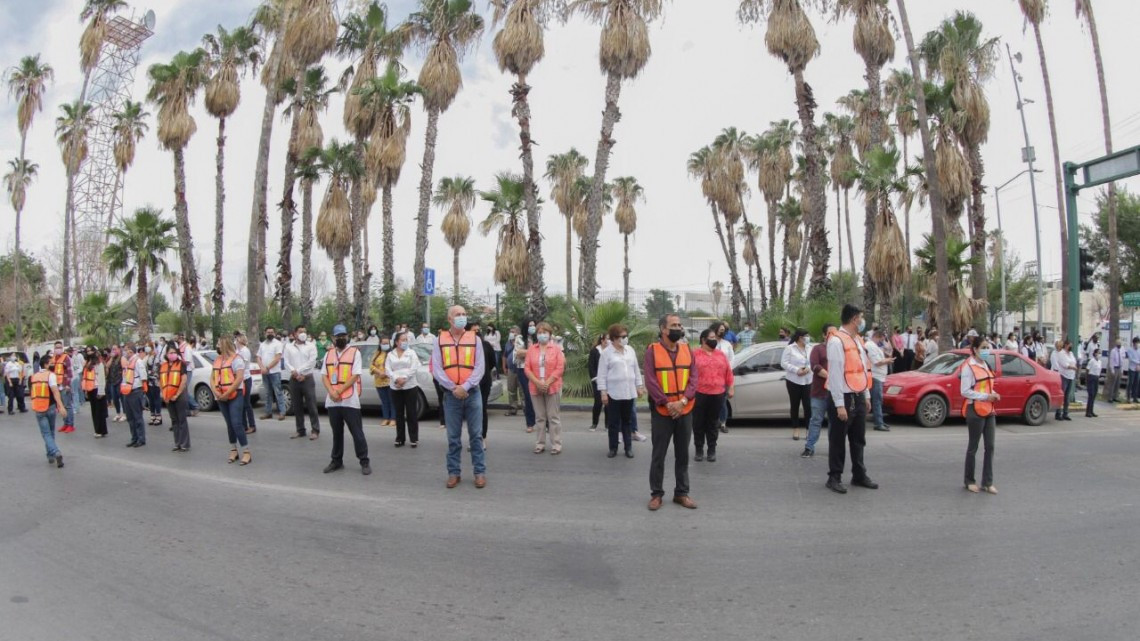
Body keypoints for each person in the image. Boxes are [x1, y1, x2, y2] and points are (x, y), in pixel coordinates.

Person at [644, 314, 699, 511]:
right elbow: (650, 380)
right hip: (662, 411)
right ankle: (656, 494)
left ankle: (681, 493)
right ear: (663, 329)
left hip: (685, 409)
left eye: (679, 325)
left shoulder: (687, 349)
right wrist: (668, 404)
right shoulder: (652, 351)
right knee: (658, 455)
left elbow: (694, 378)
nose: (678, 328)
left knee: (683, 454)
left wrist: (682, 402)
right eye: (674, 325)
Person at [825, 304, 877, 494]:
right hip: (843, 397)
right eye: (861, 318)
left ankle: (859, 475)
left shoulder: (857, 340)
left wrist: (866, 394)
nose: (863, 321)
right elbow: (835, 375)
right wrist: (840, 405)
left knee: (858, 439)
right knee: (838, 440)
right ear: (854, 319)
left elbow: (862, 369)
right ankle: (834, 477)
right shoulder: (836, 341)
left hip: (858, 394)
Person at [433, 306, 487, 488]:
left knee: (476, 436)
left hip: (472, 393)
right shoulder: (439, 340)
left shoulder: (475, 339)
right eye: (458, 315)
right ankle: (454, 473)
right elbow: (437, 369)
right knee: (453, 438)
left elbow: (479, 367)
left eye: (464, 314)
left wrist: (465, 386)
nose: (462, 317)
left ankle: (479, 472)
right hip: (451, 395)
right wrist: (453, 387)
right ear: (449, 319)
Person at [322, 324, 371, 475]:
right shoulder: (328, 354)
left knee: (357, 433)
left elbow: (355, 375)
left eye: (343, 335)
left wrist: (339, 391)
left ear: (347, 336)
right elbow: (324, 376)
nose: (341, 338)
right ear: (333, 338)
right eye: (338, 336)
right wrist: (332, 392)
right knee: (337, 433)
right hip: (333, 400)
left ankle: (364, 461)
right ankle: (336, 461)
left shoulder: (355, 353)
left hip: (350, 400)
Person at [960, 336, 999, 494]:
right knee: (973, 447)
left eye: (987, 347)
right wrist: (985, 397)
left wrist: (993, 394)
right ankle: (969, 481)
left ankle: (987, 482)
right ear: (975, 349)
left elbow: (987, 386)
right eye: (983, 347)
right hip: (975, 409)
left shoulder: (985, 364)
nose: (986, 350)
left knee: (990, 446)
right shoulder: (968, 366)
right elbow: (965, 391)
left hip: (989, 409)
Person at [691, 327, 732, 463]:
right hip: (699, 393)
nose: (714, 340)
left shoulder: (721, 355)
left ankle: (711, 450)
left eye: (715, 338)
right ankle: (699, 450)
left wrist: (731, 387)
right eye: (712, 338)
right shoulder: (694, 354)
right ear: (703, 340)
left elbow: (728, 372)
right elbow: (688, 373)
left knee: (713, 423)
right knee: (698, 423)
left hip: (717, 393)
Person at [525, 321, 566, 455]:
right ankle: (540, 443)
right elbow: (527, 368)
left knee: (553, 417)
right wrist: (537, 382)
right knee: (540, 417)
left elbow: (560, 368)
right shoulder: (531, 349)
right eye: (539, 332)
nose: (542, 335)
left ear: (550, 334)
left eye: (544, 332)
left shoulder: (556, 349)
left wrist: (547, 382)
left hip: (553, 386)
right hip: (535, 386)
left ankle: (556, 444)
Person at [212, 336, 252, 465]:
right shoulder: (217, 360)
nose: (217, 346)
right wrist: (216, 392)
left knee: (236, 423)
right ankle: (233, 449)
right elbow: (212, 378)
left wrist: (227, 393)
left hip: (235, 395)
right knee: (229, 424)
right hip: (221, 396)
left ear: (225, 345)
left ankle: (246, 452)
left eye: (219, 343)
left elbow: (239, 379)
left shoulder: (237, 360)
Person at [29, 354, 67, 468]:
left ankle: (52, 454)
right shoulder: (51, 375)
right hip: (50, 407)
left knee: (46, 433)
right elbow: (55, 392)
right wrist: (61, 406)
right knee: (50, 432)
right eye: (51, 363)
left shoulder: (34, 376)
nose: (53, 364)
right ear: (45, 364)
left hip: (38, 408)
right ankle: (54, 453)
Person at [385, 330, 422, 448]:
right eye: (403, 340)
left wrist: (404, 378)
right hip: (395, 386)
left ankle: (414, 438)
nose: (405, 342)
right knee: (399, 413)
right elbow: (388, 369)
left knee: (411, 413)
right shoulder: (390, 354)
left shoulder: (411, 353)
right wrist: (396, 379)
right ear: (396, 342)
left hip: (410, 385)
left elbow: (414, 367)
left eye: (406, 340)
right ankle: (400, 438)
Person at [802, 323, 834, 458]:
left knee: (834, 422)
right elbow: (815, 366)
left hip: (835, 394)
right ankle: (809, 447)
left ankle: (834, 449)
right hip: (819, 393)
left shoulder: (840, 349)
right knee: (815, 420)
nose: (833, 335)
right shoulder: (818, 349)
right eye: (830, 333)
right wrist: (831, 377)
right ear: (824, 335)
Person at [284, 326, 321, 440]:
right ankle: (300, 430)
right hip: (294, 379)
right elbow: (286, 362)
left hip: (307, 379)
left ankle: (315, 430)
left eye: (305, 331)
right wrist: (294, 372)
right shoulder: (289, 347)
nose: (303, 333)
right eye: (300, 332)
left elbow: (312, 362)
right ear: (295, 334)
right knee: (297, 406)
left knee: (311, 405)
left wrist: (299, 371)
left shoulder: (311, 346)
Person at [781, 328, 813, 441]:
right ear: (800, 337)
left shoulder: (810, 348)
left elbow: (813, 361)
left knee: (808, 406)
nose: (808, 338)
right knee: (795, 405)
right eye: (806, 336)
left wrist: (808, 368)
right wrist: (796, 370)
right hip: (794, 380)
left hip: (808, 380)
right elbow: (784, 363)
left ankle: (809, 430)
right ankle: (796, 428)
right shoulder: (790, 348)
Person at [469, 321, 497, 448]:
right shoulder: (465, 347)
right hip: (469, 383)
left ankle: (482, 438)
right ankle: (473, 438)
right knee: (470, 411)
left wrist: (482, 372)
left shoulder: (486, 345)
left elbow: (492, 363)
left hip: (484, 382)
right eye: (473, 330)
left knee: (481, 409)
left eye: (478, 330)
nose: (477, 332)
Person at [160, 344, 191, 452]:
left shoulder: (181, 364)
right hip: (168, 397)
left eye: (174, 352)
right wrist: (164, 395)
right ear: (166, 354)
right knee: (174, 420)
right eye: (170, 353)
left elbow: (184, 380)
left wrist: (177, 394)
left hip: (179, 396)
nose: (172, 354)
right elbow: (161, 381)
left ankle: (184, 444)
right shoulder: (163, 366)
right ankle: (177, 443)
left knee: (182, 420)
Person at [864, 329, 895, 432]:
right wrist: (888, 360)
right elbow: (877, 362)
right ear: (877, 337)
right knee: (877, 400)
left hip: (879, 376)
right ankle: (878, 423)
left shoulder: (875, 346)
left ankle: (879, 420)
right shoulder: (870, 345)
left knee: (877, 400)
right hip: (875, 376)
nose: (882, 342)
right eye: (881, 339)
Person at [121, 344, 148, 448]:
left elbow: (143, 377)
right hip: (127, 391)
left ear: (131, 351)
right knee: (130, 417)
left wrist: (142, 391)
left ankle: (141, 439)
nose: (125, 352)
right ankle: (134, 438)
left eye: (126, 350)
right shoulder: (128, 362)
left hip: (135, 391)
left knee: (137, 417)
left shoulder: (138, 361)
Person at [513, 321, 537, 433]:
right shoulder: (520, 338)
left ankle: (545, 422)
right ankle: (530, 423)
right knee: (528, 395)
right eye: (530, 325)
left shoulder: (538, 337)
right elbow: (518, 353)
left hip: (537, 369)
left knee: (541, 395)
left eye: (534, 325)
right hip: (523, 369)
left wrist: (527, 352)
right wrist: (535, 351)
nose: (532, 327)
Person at [258, 328, 286, 421]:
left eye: (271, 332)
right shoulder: (262, 344)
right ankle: (268, 412)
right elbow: (258, 357)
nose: (270, 333)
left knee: (278, 392)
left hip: (275, 372)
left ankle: (282, 412)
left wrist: (267, 368)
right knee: (267, 393)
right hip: (265, 372)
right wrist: (262, 368)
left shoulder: (278, 344)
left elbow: (277, 358)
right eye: (268, 332)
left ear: (274, 333)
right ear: (265, 333)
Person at [47, 342, 75, 433]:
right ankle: (65, 424)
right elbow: (50, 370)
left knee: (67, 406)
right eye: (56, 347)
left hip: (64, 385)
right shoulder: (53, 358)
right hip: (56, 385)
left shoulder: (66, 357)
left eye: (59, 347)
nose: (58, 349)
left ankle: (70, 425)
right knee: (61, 406)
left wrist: (67, 384)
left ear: (62, 348)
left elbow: (70, 372)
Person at [81, 347, 107, 437]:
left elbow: (101, 378)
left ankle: (100, 430)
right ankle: (97, 429)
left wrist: (101, 391)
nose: (89, 352)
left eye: (91, 350)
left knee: (99, 411)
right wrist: (85, 390)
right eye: (87, 351)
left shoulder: (99, 363)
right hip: (90, 389)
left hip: (97, 388)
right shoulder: (87, 363)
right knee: (94, 411)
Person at [234, 333, 257, 434]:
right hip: (239, 379)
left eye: (236, 338)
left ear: (240, 339)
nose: (235, 341)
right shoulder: (237, 351)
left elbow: (243, 364)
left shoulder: (245, 351)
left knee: (246, 403)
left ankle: (252, 425)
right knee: (241, 404)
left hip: (245, 378)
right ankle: (244, 425)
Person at [370, 335, 396, 427]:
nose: (385, 345)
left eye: (387, 343)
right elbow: (371, 366)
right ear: (380, 344)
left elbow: (395, 366)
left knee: (392, 401)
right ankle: (386, 418)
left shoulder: (393, 353)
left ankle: (393, 418)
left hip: (390, 381)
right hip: (379, 381)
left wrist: (385, 373)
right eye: (383, 343)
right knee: (384, 401)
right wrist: (379, 372)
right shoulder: (377, 353)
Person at [714, 322, 734, 434]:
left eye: (723, 330)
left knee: (722, 401)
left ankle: (723, 423)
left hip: (723, 377)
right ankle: (713, 421)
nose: (722, 331)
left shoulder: (727, 344)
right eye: (720, 329)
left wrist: (727, 370)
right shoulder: (710, 343)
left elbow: (731, 359)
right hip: (710, 377)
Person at [587, 334, 608, 432]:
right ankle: (594, 423)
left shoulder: (611, 351)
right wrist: (595, 378)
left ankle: (608, 425)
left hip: (609, 381)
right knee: (598, 402)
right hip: (597, 381)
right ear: (602, 340)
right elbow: (591, 366)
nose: (609, 341)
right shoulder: (594, 351)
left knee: (608, 404)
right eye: (607, 339)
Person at [1054, 340, 1077, 421]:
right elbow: (1064, 364)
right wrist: (1072, 367)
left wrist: (1073, 366)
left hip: (1071, 376)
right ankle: (1058, 413)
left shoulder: (1071, 354)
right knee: (1062, 395)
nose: (1071, 347)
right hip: (1064, 376)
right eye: (1070, 345)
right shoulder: (1061, 353)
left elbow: (1074, 362)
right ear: (1066, 345)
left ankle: (1065, 413)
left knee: (1067, 396)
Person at [145, 341, 164, 428]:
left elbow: (160, 368)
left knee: (156, 398)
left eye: (148, 346)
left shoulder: (157, 357)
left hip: (156, 380)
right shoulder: (147, 357)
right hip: (149, 380)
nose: (146, 348)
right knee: (151, 399)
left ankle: (158, 416)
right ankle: (152, 414)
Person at [503, 325, 520, 415]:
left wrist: (516, 344)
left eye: (513, 332)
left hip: (521, 369)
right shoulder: (508, 343)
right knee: (511, 389)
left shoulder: (522, 342)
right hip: (511, 369)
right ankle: (513, 408)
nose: (511, 333)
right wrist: (504, 367)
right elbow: (504, 355)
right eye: (510, 332)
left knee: (523, 390)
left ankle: (526, 408)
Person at [1086, 348, 1102, 418]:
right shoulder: (1092, 361)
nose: (1099, 354)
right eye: (1098, 353)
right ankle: (1088, 412)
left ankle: (1091, 411)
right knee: (1091, 394)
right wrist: (1087, 379)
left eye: (1100, 353)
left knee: (1094, 394)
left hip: (1096, 377)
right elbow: (1087, 369)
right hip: (1091, 377)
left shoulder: (1100, 362)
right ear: (1095, 353)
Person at [1127, 337, 1140, 404]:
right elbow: (1131, 359)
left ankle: (1135, 397)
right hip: (1132, 369)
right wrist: (1138, 363)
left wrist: (1138, 365)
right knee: (1130, 383)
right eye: (1136, 343)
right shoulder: (1130, 350)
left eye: (1138, 343)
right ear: (1134, 343)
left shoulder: (1139, 350)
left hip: (1138, 369)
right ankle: (1128, 398)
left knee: (1136, 383)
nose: (1138, 344)